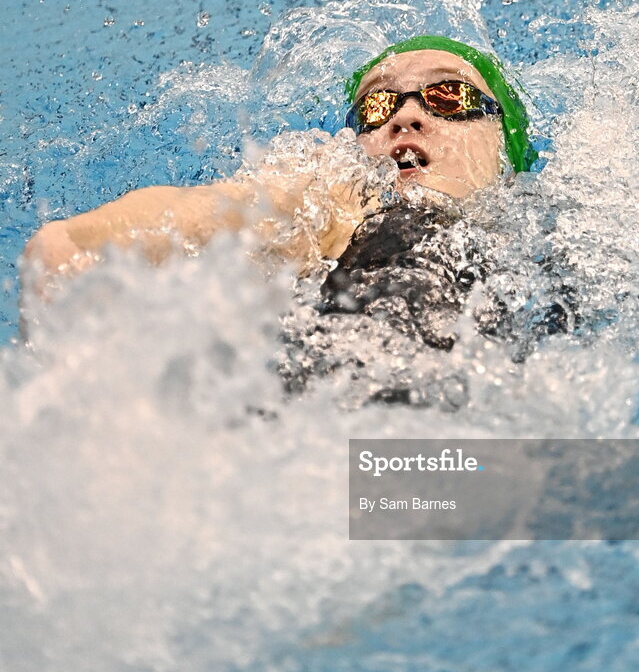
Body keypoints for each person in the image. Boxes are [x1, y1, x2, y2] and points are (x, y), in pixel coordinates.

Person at [22, 36, 569, 402]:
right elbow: (79, 246)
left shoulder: (570, 229)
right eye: (376, 107)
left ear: (507, 143)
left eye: (447, 95)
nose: (405, 115)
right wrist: (79, 245)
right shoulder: (336, 198)